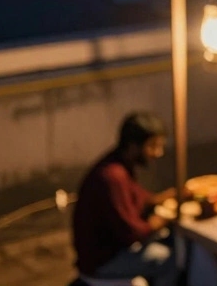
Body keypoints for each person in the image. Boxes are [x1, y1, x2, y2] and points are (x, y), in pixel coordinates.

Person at [72, 112, 177, 286]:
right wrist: (163, 220)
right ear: (133, 146)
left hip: (111, 249)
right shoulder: (112, 176)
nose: (158, 153)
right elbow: (132, 232)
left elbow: (140, 198)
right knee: (170, 259)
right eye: (152, 146)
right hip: (102, 262)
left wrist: (172, 195)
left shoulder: (119, 164)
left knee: (169, 241)